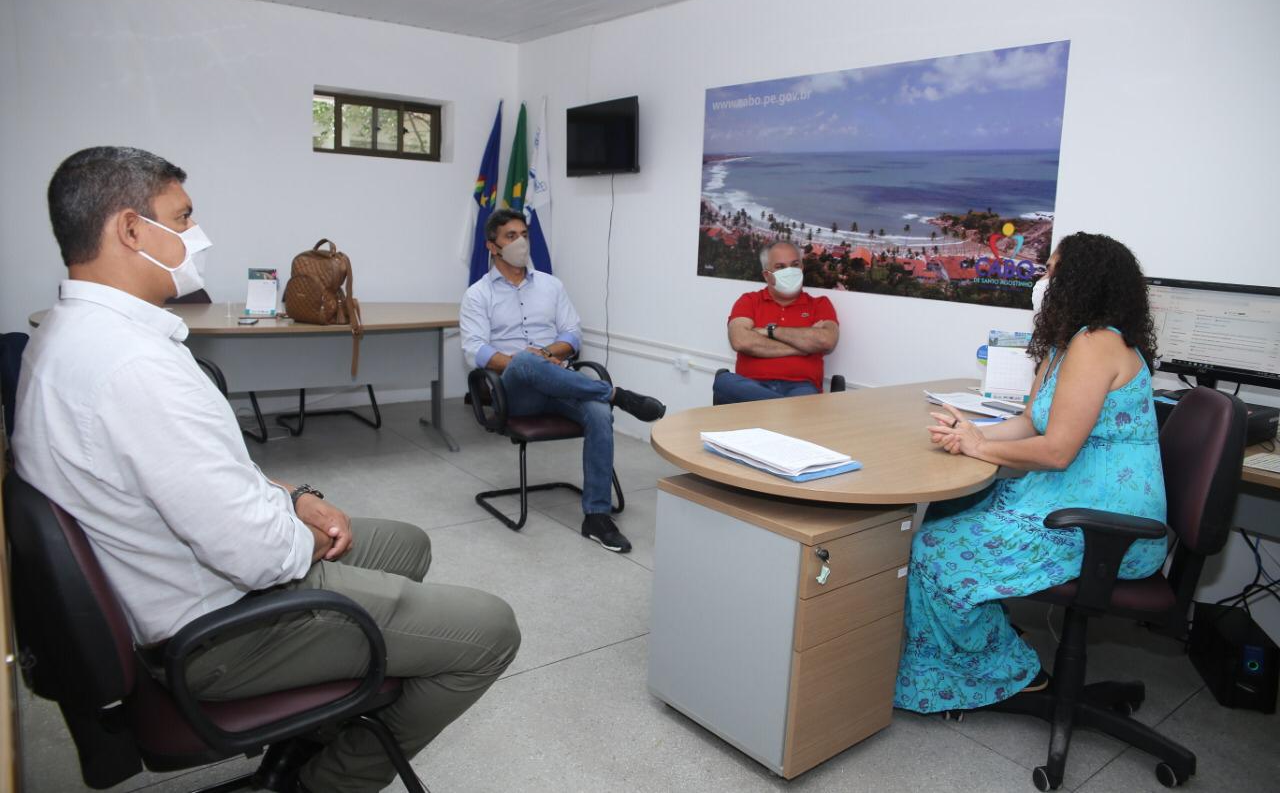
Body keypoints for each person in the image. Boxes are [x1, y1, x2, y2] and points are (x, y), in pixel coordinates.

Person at [14, 147, 521, 793]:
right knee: (491, 630)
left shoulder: (67, 335)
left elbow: (205, 472)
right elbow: (258, 556)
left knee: (408, 543)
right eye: (183, 216)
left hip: (183, 581)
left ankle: (318, 722)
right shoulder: (133, 369)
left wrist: (297, 495)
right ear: (132, 230)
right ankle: (320, 781)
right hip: (219, 632)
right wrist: (299, 526)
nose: (198, 236)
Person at [895, 232, 1167, 715]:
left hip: (1105, 523)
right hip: (1066, 496)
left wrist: (980, 448)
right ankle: (981, 633)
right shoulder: (1066, 345)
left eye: (1051, 270)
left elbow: (1058, 450)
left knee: (932, 549)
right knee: (952, 506)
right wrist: (972, 431)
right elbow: (1028, 422)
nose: (1042, 280)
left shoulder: (1097, 343)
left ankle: (1015, 673)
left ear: (1078, 281)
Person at [459, 209, 666, 554]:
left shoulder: (552, 286)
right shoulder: (478, 295)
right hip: (514, 392)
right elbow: (475, 349)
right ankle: (616, 394)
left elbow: (572, 334)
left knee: (599, 414)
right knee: (525, 361)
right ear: (492, 246)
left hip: (559, 382)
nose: (521, 242)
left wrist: (548, 354)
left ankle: (596, 516)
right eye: (511, 236)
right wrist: (523, 363)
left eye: (523, 234)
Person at [712, 240, 839, 405]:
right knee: (724, 381)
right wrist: (802, 348)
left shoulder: (820, 304)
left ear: (801, 268)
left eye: (795, 264)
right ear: (767, 275)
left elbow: (826, 340)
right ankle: (783, 408)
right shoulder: (749, 301)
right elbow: (740, 340)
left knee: (804, 400)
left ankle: (776, 408)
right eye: (780, 267)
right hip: (750, 387)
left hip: (801, 388)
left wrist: (770, 331)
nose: (790, 271)